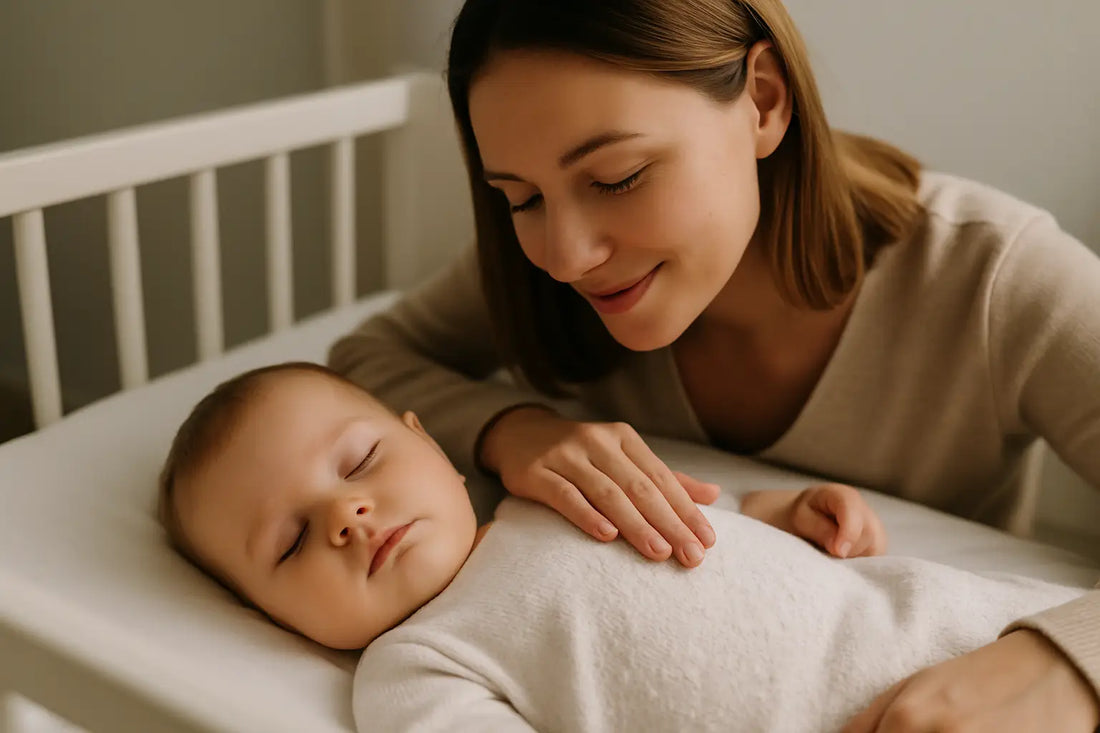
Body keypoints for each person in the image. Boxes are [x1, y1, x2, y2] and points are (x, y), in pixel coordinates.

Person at [327, 0, 1100, 729]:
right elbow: (363, 358)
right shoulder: (541, 276)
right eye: (520, 198)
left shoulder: (998, 278)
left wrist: (1062, 661)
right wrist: (515, 430)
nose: (566, 255)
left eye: (617, 177)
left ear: (762, 101)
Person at [157, 362, 1084, 732]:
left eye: (361, 460)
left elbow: (706, 522)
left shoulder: (558, 490)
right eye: (288, 545)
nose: (347, 517)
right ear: (267, 613)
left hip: (963, 630)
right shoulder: (414, 665)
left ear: (429, 439)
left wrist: (787, 510)